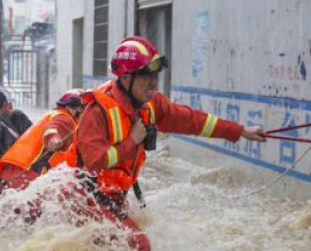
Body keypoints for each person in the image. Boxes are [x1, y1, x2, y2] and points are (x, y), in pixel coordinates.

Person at [74, 36, 266, 250]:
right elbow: (94, 161)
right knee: (140, 244)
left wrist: (240, 131)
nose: (153, 83)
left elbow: (191, 120)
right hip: (85, 198)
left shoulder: (149, 105)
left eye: (155, 76)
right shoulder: (97, 111)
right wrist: (131, 142)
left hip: (112, 200)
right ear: (126, 78)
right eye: (146, 76)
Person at [0, 89, 85, 189]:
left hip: (16, 171)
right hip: (28, 175)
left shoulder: (54, 114)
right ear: (77, 109)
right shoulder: (66, 118)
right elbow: (53, 129)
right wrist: (53, 139)